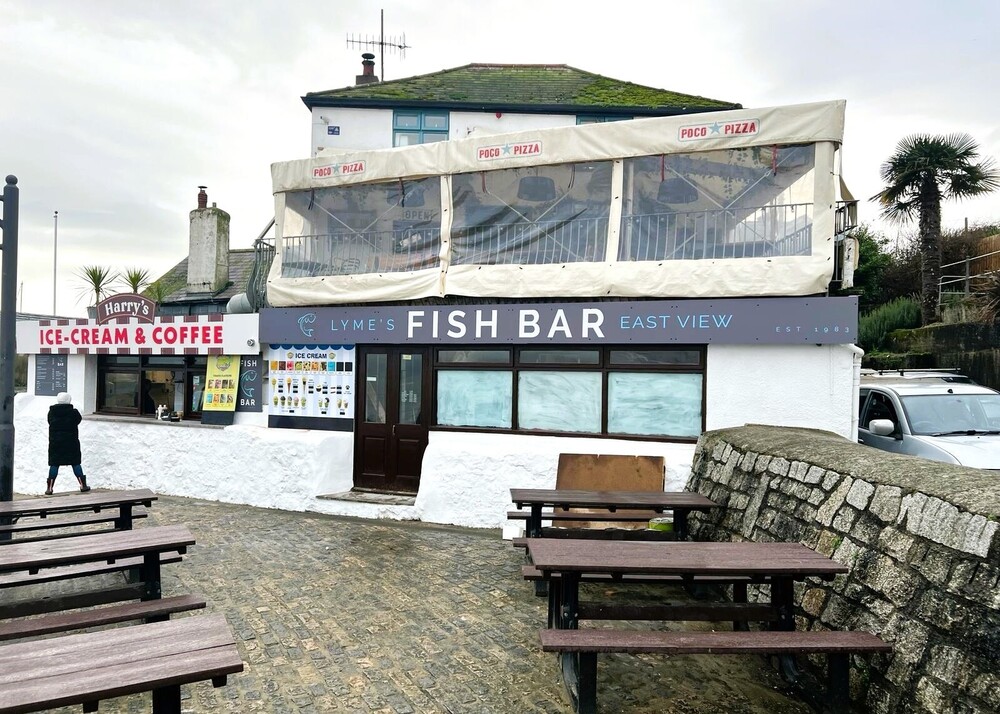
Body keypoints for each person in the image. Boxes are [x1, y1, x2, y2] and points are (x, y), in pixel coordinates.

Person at [46, 392, 90, 495]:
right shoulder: (73, 413)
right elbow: (78, 420)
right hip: (71, 442)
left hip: (55, 442)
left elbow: (49, 421)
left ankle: (49, 488)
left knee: (54, 464)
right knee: (75, 462)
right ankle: (83, 485)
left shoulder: (51, 412)